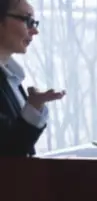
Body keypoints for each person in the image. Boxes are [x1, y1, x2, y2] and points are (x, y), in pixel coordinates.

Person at [0, 0, 64, 157]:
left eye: (35, 23)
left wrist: (34, 107)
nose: (34, 30)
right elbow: (8, 147)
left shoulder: (11, 76)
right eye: (27, 21)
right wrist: (33, 107)